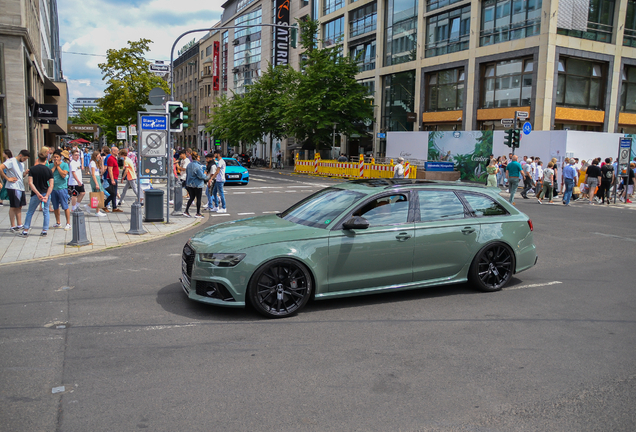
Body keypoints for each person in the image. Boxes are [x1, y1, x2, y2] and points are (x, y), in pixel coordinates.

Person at [19, 148, 54, 237]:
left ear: (37, 159)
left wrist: (37, 193)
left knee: (30, 212)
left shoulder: (33, 169)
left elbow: (30, 183)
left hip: (35, 194)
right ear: (46, 160)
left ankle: (26, 230)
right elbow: (51, 185)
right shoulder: (48, 170)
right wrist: (46, 195)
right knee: (46, 212)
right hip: (45, 192)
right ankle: (44, 230)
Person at [0, 149, 30, 231]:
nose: (25, 160)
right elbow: (1, 167)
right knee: (13, 206)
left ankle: (19, 224)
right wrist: (7, 178)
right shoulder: (11, 161)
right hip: (13, 187)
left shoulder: (21, 164)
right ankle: (13, 225)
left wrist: (25, 173)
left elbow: (21, 175)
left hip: (20, 187)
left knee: (19, 206)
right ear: (20, 155)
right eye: (24, 158)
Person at [46, 150, 72, 230]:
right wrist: (54, 166)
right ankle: (58, 222)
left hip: (62, 188)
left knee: (65, 206)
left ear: (60, 157)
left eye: (57, 157)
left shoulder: (64, 165)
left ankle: (68, 223)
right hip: (53, 188)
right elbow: (48, 174)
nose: (56, 159)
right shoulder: (50, 165)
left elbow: (64, 175)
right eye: (54, 157)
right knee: (55, 206)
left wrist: (58, 167)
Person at [183, 151, 206, 218]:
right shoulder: (198, 166)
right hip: (197, 184)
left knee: (191, 197)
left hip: (189, 184)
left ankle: (186, 211)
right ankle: (198, 213)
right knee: (198, 198)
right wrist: (206, 176)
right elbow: (200, 176)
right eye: (199, 157)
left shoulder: (189, 165)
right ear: (197, 158)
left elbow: (187, 174)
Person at [103, 147, 122, 213]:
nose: (118, 152)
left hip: (115, 178)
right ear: (113, 151)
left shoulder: (114, 158)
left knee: (114, 193)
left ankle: (114, 207)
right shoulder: (110, 159)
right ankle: (105, 204)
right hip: (112, 178)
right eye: (117, 150)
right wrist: (112, 179)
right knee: (113, 193)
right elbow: (110, 170)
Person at [89, 151, 106, 217]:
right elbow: (93, 174)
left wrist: (101, 162)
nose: (99, 157)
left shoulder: (96, 163)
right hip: (95, 178)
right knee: (98, 194)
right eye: (98, 156)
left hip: (97, 177)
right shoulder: (92, 163)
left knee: (98, 194)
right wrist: (96, 183)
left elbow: (102, 170)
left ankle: (92, 207)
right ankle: (97, 211)